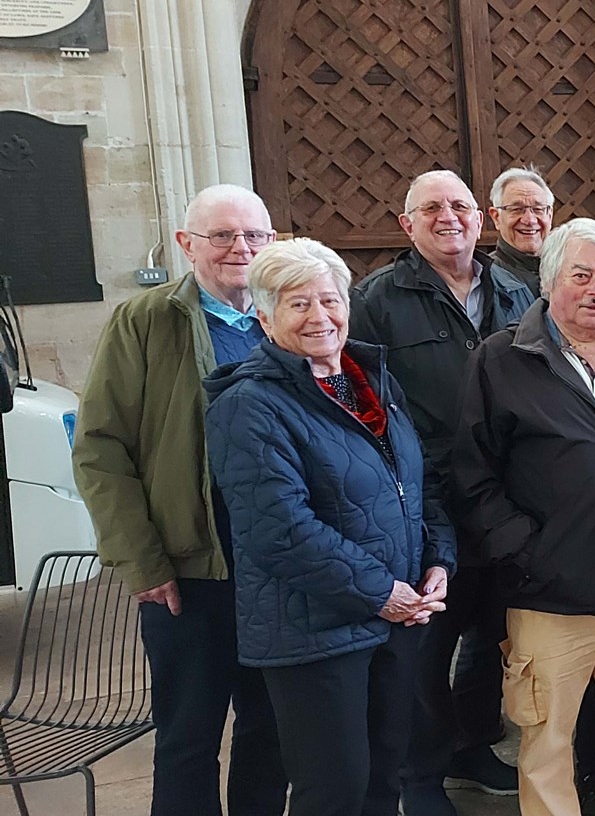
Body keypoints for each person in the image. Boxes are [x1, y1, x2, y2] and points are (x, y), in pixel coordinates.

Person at [204, 238, 456, 816]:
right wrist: (381, 592)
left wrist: (438, 562)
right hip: (316, 630)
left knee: (382, 781)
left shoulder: (368, 380)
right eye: (298, 305)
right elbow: (279, 529)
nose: (320, 317)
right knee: (333, 791)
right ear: (264, 319)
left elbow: (417, 484)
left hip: (396, 619)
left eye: (329, 300)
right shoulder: (249, 404)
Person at [451, 219, 595, 816]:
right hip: (548, 594)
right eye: (580, 276)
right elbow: (472, 474)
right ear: (550, 282)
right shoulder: (502, 360)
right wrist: (526, 550)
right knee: (548, 740)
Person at [73, 184, 289, 816]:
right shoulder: (145, 320)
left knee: (269, 727)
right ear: (186, 243)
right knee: (189, 735)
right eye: (221, 235)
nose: (239, 248)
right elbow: (101, 447)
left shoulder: (294, 316)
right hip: (189, 569)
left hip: (278, 567)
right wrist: (141, 561)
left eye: (253, 235)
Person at [350, 169, 532, 809]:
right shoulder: (376, 300)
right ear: (407, 225)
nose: (448, 218)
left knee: (490, 633)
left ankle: (472, 745)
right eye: (431, 209)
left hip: (506, 498)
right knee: (426, 648)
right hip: (429, 505)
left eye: (459, 206)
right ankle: (418, 778)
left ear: (481, 218)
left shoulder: (515, 290)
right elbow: (367, 407)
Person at [487, 167, 555, 290]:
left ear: (549, 215)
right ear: (496, 217)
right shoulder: (485, 279)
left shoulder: (567, 271)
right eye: (517, 209)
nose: (530, 220)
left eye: (538, 209)